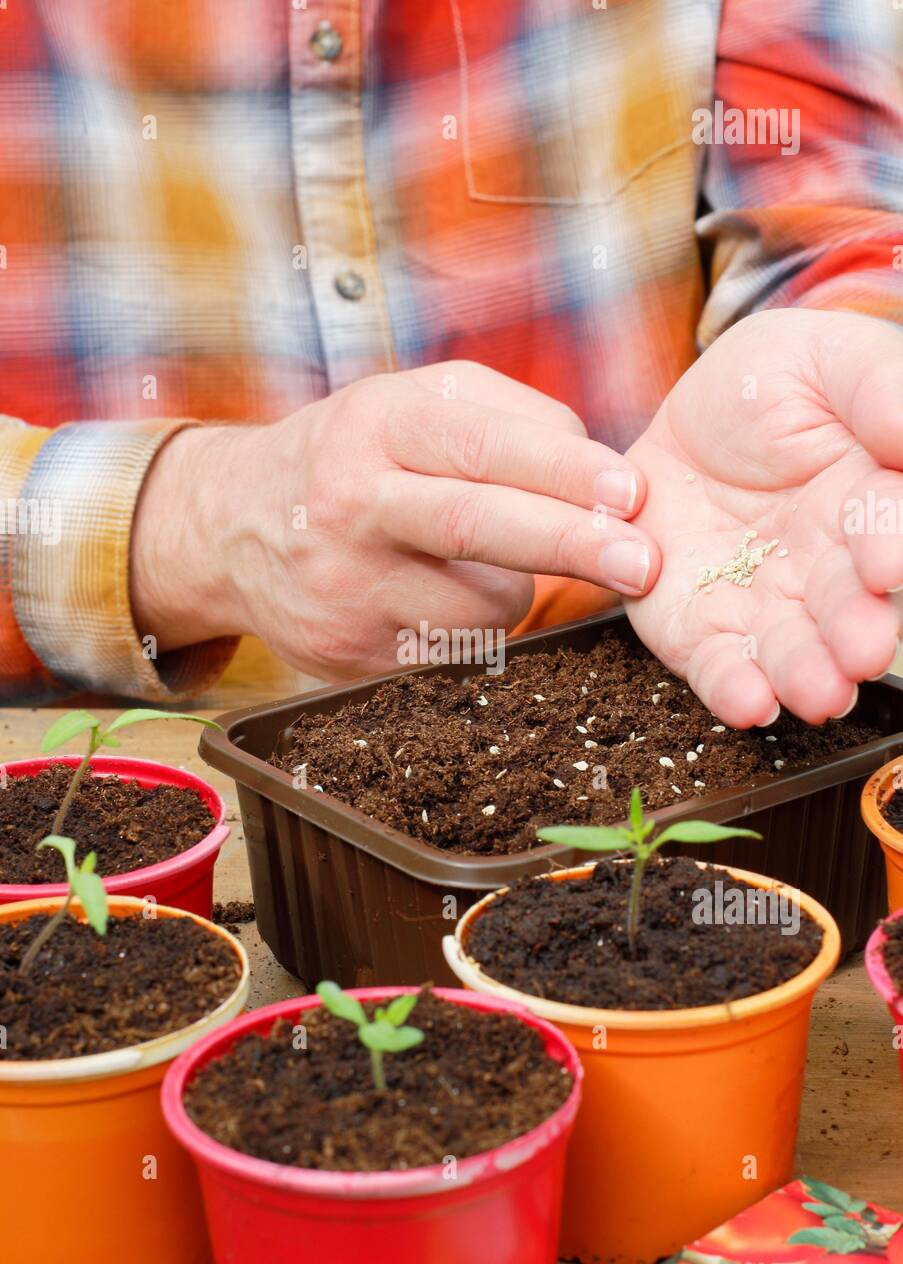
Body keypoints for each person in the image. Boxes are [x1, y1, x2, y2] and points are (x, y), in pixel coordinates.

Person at [0, 0, 900, 729]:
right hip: (141, 762)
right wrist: (186, 524)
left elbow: (832, 195)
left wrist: (841, 337)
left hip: (660, 679)